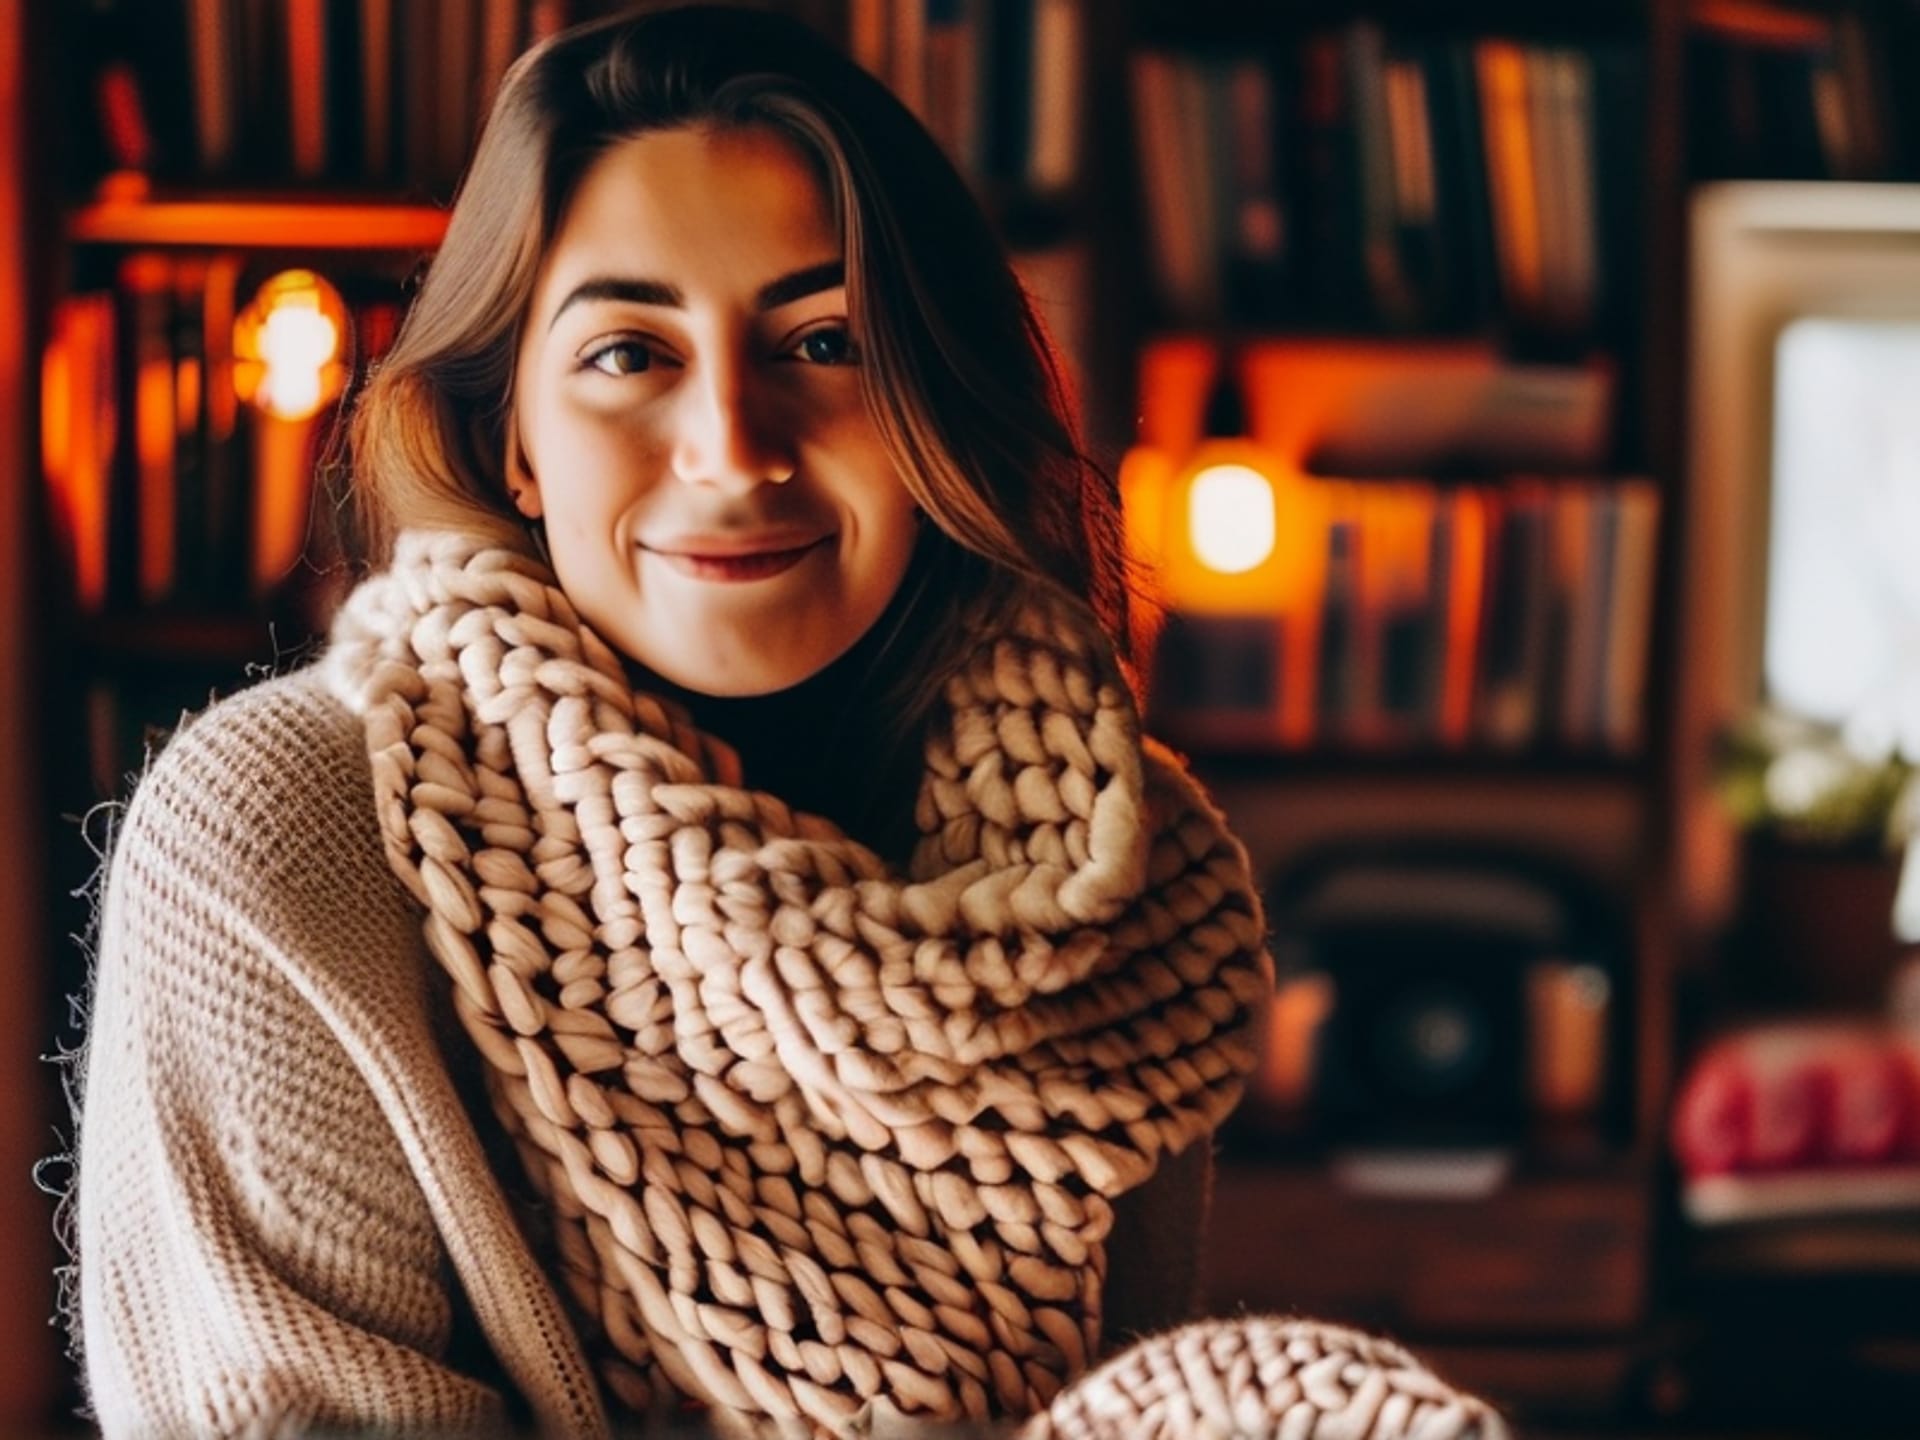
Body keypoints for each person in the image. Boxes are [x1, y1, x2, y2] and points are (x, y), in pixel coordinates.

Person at [67, 5, 1282, 1435]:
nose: (734, 447)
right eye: (630, 355)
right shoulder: (284, 832)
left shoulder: (1124, 893)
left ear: (931, 405)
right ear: (513, 436)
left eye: (823, 340)